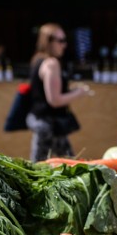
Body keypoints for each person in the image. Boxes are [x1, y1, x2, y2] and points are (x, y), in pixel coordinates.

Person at [26, 23, 93, 162]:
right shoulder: (52, 63)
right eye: (61, 41)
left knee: (43, 167)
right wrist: (79, 93)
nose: (64, 45)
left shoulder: (38, 60)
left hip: (45, 124)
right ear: (48, 41)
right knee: (62, 167)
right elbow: (54, 100)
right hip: (49, 126)